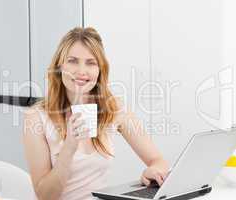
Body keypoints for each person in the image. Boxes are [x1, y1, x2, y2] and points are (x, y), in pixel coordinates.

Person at [22, 27, 169, 200]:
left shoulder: (113, 108)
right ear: (59, 66)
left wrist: (154, 171)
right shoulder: (36, 117)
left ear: (100, 70)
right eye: (73, 61)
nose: (81, 71)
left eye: (91, 63)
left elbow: (158, 160)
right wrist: (69, 148)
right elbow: (45, 196)